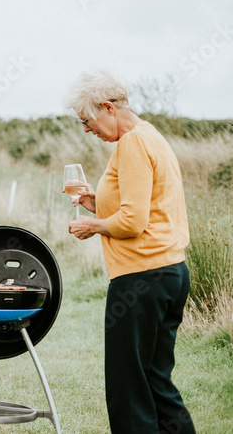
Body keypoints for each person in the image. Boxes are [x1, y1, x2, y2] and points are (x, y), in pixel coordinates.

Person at [65, 71, 195, 434]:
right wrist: (96, 204)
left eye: (87, 121)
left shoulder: (132, 144)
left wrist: (92, 226)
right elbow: (142, 206)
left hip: (141, 278)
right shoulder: (151, 135)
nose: (87, 130)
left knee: (128, 388)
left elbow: (132, 222)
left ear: (108, 108)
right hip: (169, 272)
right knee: (156, 381)